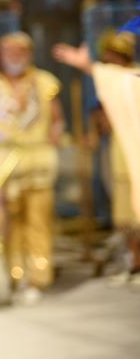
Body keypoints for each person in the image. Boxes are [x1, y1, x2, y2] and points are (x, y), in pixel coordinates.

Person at [0, 32, 64, 305]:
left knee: (38, 217)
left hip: (37, 160)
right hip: (4, 163)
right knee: (9, 222)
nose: (14, 56)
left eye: (20, 51)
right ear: (1, 55)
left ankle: (38, 276)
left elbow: (57, 121)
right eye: (9, 51)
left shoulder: (44, 82)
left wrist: (55, 136)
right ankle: (15, 275)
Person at [53, 31, 140, 285]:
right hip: (120, 149)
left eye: (112, 56)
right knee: (125, 215)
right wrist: (92, 133)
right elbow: (99, 113)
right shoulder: (112, 81)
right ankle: (134, 263)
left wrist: (88, 66)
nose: (108, 61)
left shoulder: (130, 76)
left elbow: (118, 81)